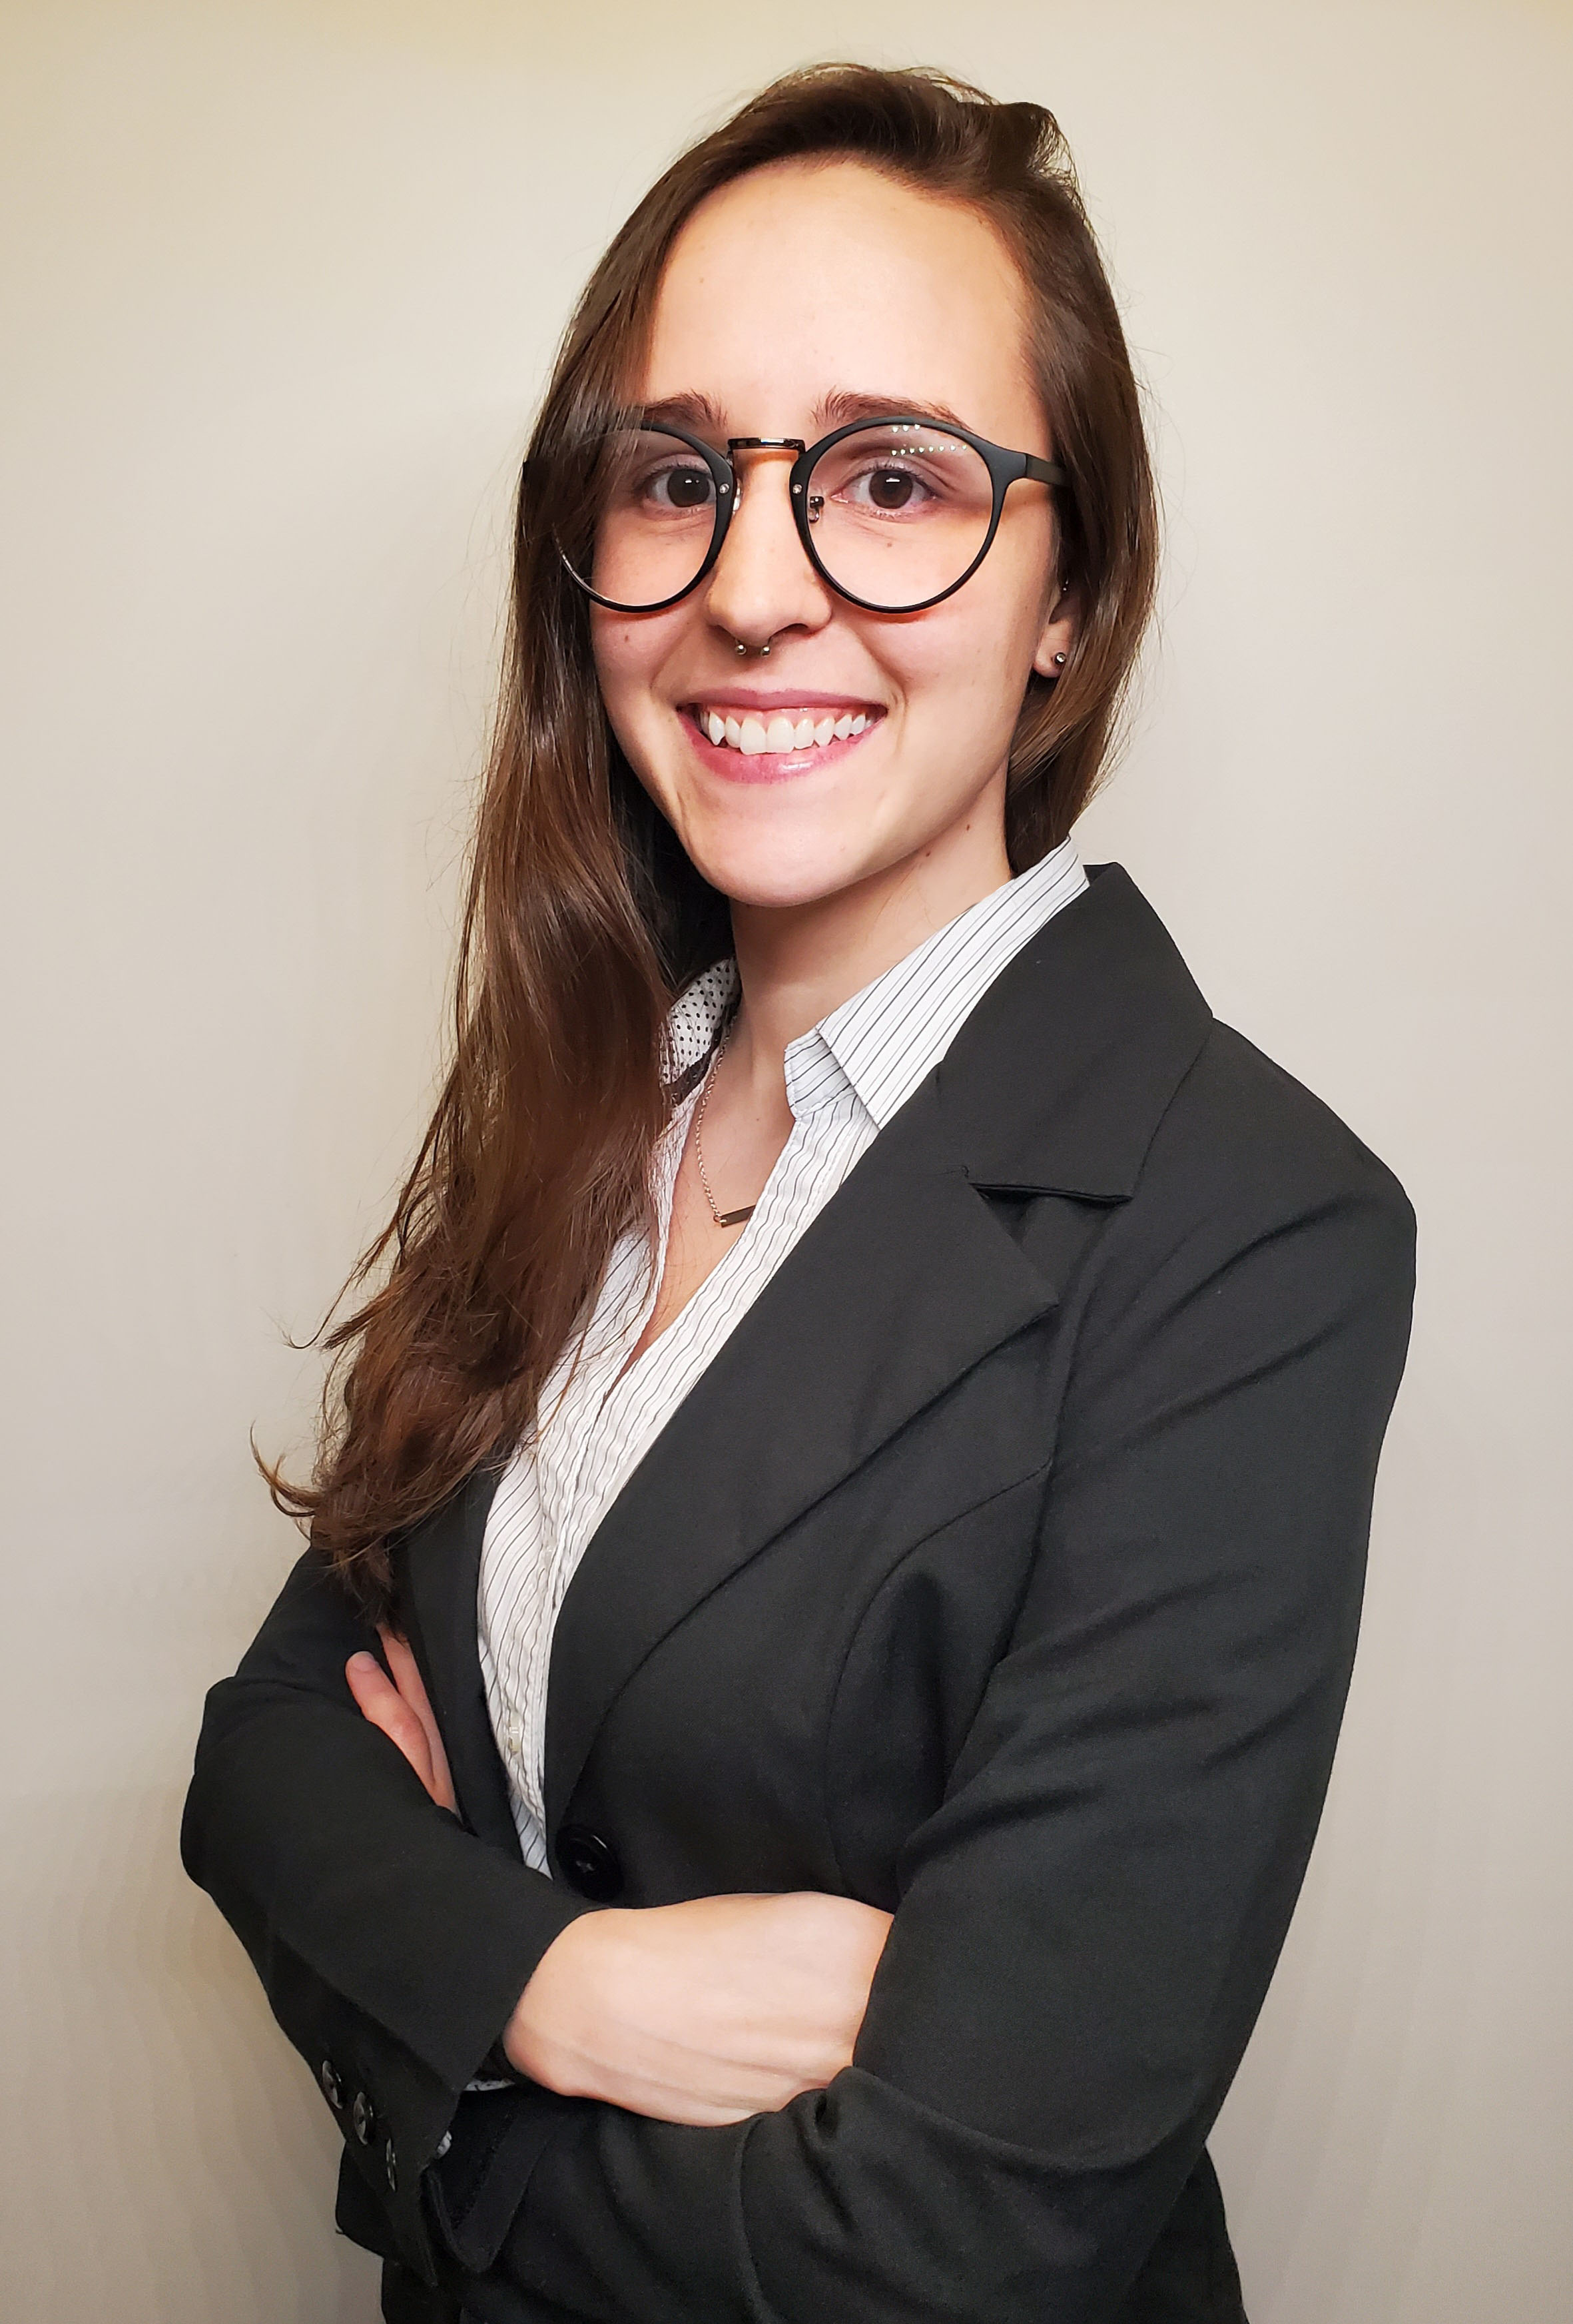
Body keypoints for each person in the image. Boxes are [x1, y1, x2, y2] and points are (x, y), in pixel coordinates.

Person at [180, 63, 1415, 2324]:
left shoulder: (1251, 1228)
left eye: (892, 478)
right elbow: (262, 1752)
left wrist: (446, 2090)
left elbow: (951, 2242)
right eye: (677, 478)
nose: (752, 592)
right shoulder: (590, 1094)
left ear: (1069, 590)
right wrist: (561, 1987)